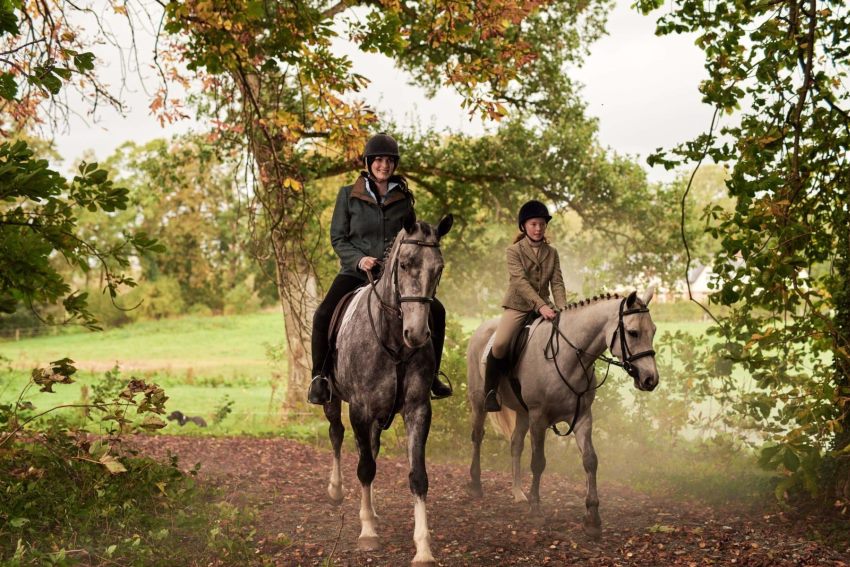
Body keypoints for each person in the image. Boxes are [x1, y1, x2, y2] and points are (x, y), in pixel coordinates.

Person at [307, 132, 453, 405]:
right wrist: (359, 259)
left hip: (393, 276)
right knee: (323, 313)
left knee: (437, 310)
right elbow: (338, 238)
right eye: (378, 160)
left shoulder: (405, 198)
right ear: (369, 162)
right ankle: (320, 377)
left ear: (394, 165)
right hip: (356, 272)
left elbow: (408, 238)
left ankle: (431, 376)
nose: (384, 166)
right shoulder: (347, 195)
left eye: (389, 161)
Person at [484, 200, 567, 412]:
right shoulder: (513, 251)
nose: (538, 229)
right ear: (524, 226)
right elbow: (520, 282)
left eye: (541, 224)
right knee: (501, 344)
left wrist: (563, 309)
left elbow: (557, 282)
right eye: (533, 224)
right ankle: (491, 391)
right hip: (518, 305)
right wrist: (540, 307)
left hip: (546, 306)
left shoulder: (552, 252)